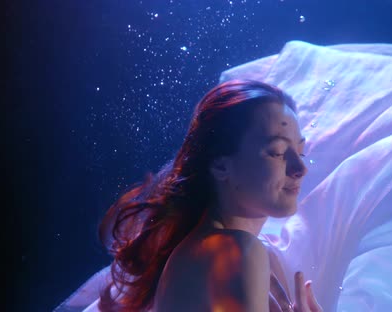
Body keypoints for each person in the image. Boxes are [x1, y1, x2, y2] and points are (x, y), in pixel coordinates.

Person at [95, 79, 323, 311]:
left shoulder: (199, 250)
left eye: (301, 152)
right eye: (278, 152)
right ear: (221, 165)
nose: (300, 169)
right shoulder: (235, 250)